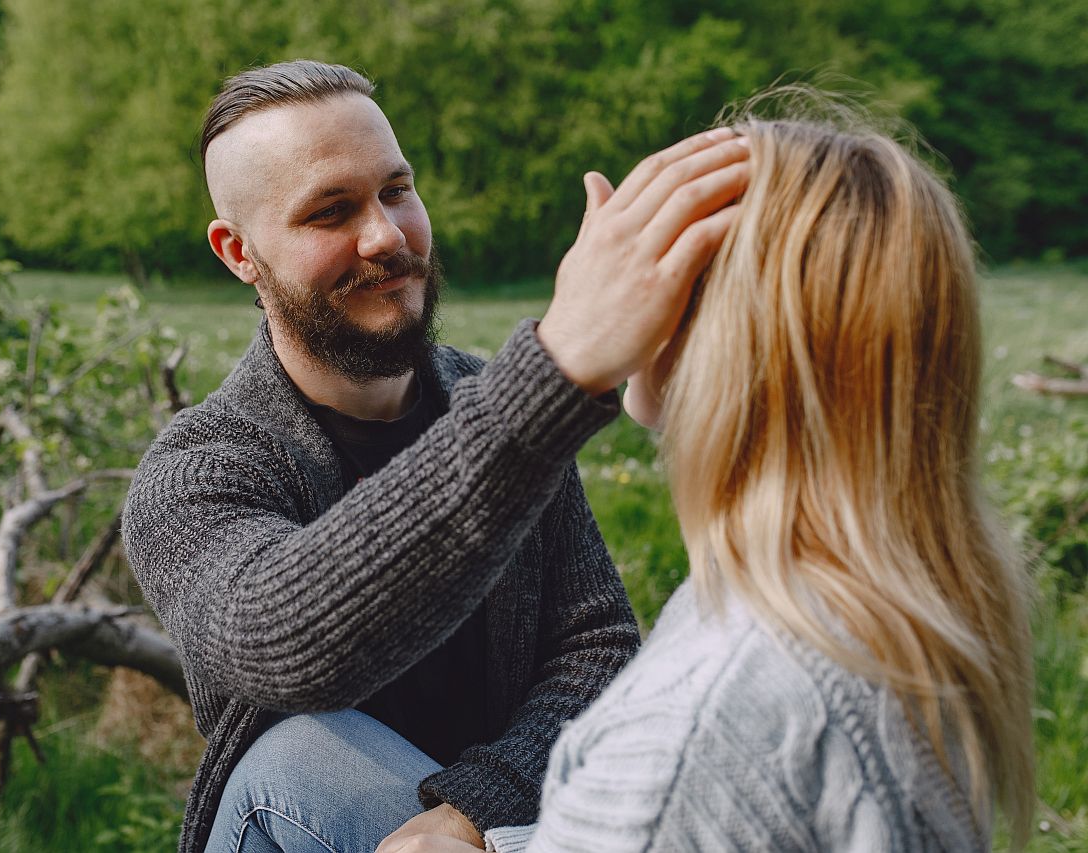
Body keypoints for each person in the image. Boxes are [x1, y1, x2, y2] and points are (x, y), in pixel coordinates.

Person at [120, 60, 750, 853]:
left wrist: (470, 812)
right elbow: (284, 647)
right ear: (239, 253)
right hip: (298, 822)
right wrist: (556, 373)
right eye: (330, 211)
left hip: (501, 829)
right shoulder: (198, 472)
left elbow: (597, 646)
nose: (385, 235)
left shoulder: (484, 396)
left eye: (396, 190)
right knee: (293, 750)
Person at [388, 111, 1037, 853]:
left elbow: (675, 793)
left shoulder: (701, 715)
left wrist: (567, 351)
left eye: (663, 259)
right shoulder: (918, 593)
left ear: (727, 331)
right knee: (304, 751)